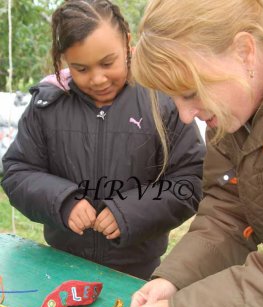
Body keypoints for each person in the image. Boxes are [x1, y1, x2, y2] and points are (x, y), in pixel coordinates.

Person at [93, 0, 263, 307]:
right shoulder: (233, 116)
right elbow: (230, 213)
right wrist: (175, 279)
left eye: (191, 93)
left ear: (245, 52)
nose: (187, 117)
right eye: (175, 99)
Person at [1, 0, 204, 280]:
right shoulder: (47, 105)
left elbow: (190, 180)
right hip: (61, 266)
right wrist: (63, 201)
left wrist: (128, 211)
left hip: (137, 274)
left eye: (108, 63)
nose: (97, 79)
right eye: (81, 68)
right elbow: (17, 172)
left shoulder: (163, 102)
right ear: (63, 59)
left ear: (127, 43)